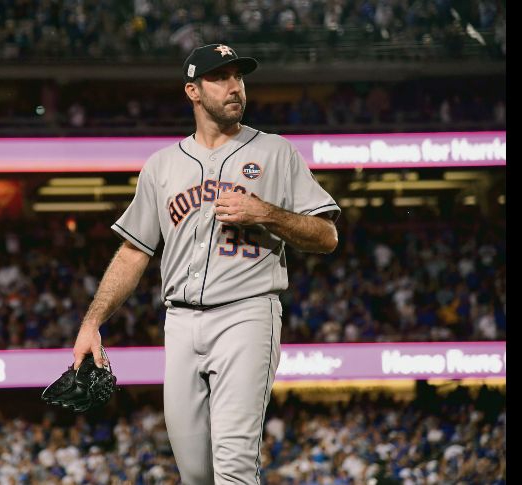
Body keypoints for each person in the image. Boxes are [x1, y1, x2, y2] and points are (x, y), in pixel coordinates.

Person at [71, 44, 340, 484]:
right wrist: (91, 323)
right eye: (220, 78)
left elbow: (327, 235)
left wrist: (266, 213)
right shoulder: (161, 166)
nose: (235, 87)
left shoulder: (276, 152)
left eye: (239, 77)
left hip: (246, 314)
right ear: (193, 91)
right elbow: (135, 250)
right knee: (196, 473)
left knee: (234, 466)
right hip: (180, 323)